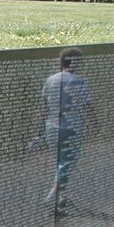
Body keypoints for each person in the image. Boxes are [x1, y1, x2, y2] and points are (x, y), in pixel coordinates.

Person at [41, 47, 93, 206]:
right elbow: (87, 105)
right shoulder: (79, 81)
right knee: (67, 163)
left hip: (51, 126)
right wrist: (95, 124)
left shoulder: (51, 79)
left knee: (60, 162)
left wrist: (40, 128)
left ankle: (61, 196)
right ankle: (53, 196)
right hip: (72, 127)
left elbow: (44, 105)